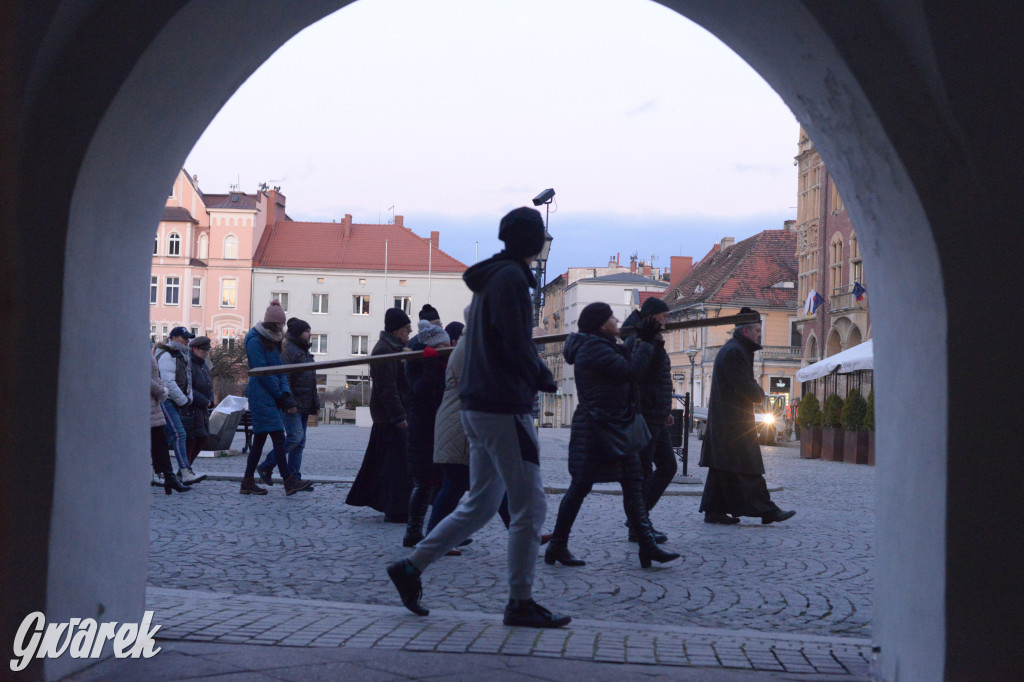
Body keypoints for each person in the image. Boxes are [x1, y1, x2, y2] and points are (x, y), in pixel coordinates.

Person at [387, 206, 570, 629]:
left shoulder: (494, 279)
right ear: (534, 243)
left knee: (482, 502)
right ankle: (520, 602)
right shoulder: (509, 282)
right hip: (502, 406)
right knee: (530, 506)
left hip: (481, 404)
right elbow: (514, 342)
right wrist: (542, 374)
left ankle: (411, 567)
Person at [544, 302, 681, 569]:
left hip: (614, 424)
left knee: (633, 481)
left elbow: (637, 364)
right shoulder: (592, 348)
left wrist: (649, 340)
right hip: (596, 428)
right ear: (600, 324)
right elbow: (630, 371)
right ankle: (557, 544)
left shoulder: (603, 344)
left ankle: (646, 546)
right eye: (611, 318)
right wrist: (643, 340)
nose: (617, 321)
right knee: (580, 487)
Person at [699, 307, 796, 525]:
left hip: (728, 421)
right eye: (757, 330)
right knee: (748, 467)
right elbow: (744, 384)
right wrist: (761, 395)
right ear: (746, 332)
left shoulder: (735, 348)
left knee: (721, 468)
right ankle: (767, 511)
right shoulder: (736, 352)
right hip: (733, 423)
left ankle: (713, 511)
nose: (760, 334)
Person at [346, 307, 414, 521]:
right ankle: (395, 509)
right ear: (396, 330)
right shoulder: (385, 350)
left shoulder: (393, 348)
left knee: (385, 463)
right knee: (395, 465)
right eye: (406, 329)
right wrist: (399, 416)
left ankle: (390, 504)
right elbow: (388, 388)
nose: (409, 333)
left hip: (390, 416)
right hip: (389, 418)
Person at [239, 300, 312, 495]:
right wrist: (280, 396)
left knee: (260, 440)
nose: (282, 327)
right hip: (261, 395)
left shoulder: (273, 339)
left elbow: (280, 371)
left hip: (271, 396)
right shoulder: (254, 340)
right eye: (279, 324)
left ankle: (247, 481)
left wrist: (285, 393)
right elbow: (262, 373)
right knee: (279, 437)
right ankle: (288, 481)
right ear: (271, 323)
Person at [622, 297, 677, 543]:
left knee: (667, 466)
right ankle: (638, 524)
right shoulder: (638, 339)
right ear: (653, 316)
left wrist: (665, 410)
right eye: (664, 316)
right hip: (645, 414)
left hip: (656, 413)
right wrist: (654, 406)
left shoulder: (652, 337)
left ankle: (638, 518)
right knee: (641, 472)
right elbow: (642, 376)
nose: (667, 321)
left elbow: (658, 377)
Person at [402, 321, 451, 547]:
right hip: (422, 431)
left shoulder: (440, 364)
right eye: (442, 345)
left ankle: (441, 531)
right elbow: (422, 391)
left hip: (437, 429)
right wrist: (431, 365)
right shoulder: (417, 363)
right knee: (423, 482)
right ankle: (413, 531)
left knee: (438, 482)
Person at [257, 317, 319, 488]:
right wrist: (288, 402)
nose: (310, 334)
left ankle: (294, 477)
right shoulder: (288, 350)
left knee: (300, 442)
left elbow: (311, 381)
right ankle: (266, 466)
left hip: (304, 403)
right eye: (307, 331)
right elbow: (285, 378)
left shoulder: (303, 350)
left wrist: (316, 403)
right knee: (294, 438)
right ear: (299, 333)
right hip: (294, 404)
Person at [155, 326, 206, 484]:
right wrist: (184, 400)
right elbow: (168, 382)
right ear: (174, 337)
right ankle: (184, 471)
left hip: (171, 400)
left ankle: (153, 472)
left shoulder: (180, 355)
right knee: (179, 434)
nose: (187, 341)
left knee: (159, 438)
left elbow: (186, 380)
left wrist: (187, 396)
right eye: (184, 338)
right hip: (166, 399)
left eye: (188, 338)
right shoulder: (167, 355)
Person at [150, 354, 189, 494]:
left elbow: (155, 376)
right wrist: (162, 390)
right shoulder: (136, 348)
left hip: (153, 404)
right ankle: (166, 476)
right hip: (147, 403)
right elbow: (142, 376)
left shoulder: (146, 348)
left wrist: (162, 388)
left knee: (159, 442)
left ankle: (169, 476)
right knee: (157, 442)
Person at [185, 336, 214, 465]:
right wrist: (205, 401)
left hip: (202, 409)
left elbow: (209, 384)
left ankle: (186, 467)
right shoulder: (189, 364)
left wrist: (211, 400)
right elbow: (188, 387)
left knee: (203, 438)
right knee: (194, 439)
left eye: (207, 350)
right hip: (192, 409)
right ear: (194, 349)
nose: (205, 353)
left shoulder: (203, 366)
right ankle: (185, 468)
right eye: (203, 350)